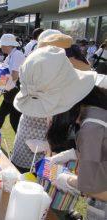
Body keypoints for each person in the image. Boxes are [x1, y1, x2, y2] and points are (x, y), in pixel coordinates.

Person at [17, 47, 107, 220]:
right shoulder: (96, 99)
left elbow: (95, 189)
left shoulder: (91, 129)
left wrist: (65, 180)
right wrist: (73, 153)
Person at [0, 33, 25, 133]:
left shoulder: (17, 55)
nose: (1, 47)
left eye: (3, 45)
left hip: (15, 92)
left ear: (8, 45)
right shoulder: (10, 56)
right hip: (9, 91)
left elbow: (15, 75)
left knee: (14, 120)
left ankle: (18, 145)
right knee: (2, 114)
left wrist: (1, 81)